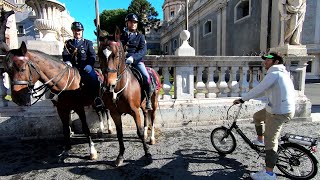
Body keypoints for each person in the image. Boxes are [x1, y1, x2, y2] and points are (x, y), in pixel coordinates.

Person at [233, 52, 295, 180]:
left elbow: (259, 88)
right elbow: (266, 91)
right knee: (257, 117)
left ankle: (269, 173)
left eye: (268, 60)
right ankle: (259, 139)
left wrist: (243, 99)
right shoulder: (281, 72)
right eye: (265, 59)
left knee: (271, 140)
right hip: (275, 107)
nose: (265, 62)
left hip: (279, 112)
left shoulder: (274, 73)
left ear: (276, 61)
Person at [62, 21, 102, 108]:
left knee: (94, 78)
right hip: (72, 68)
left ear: (82, 31)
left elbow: (92, 55)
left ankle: (96, 98)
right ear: (73, 31)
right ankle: (58, 98)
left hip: (85, 68)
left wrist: (90, 65)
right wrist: (67, 61)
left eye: (79, 30)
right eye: (75, 30)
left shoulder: (88, 43)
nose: (77, 32)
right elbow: (65, 54)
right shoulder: (68, 43)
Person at [121, 13, 153, 110]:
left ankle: (148, 100)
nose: (133, 24)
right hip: (122, 62)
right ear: (127, 23)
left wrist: (133, 58)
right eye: (131, 22)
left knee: (146, 77)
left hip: (136, 62)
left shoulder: (140, 37)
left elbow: (143, 51)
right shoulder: (121, 36)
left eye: (135, 22)